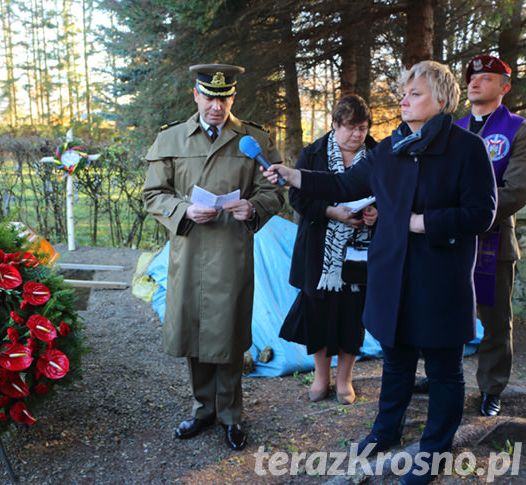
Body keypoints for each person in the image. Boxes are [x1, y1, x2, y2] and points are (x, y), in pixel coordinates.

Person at [263, 61, 496, 485]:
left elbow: (482, 213)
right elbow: (343, 184)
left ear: (441, 100)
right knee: (397, 359)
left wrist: (424, 223)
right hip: (392, 275)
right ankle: (385, 432)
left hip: (439, 277)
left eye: (415, 93)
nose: (403, 100)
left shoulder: (467, 148)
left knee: (443, 368)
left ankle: (433, 450)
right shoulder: (389, 148)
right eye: (404, 93)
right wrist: (292, 174)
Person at [142, 64, 285, 451]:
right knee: (194, 330)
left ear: (233, 98)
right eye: (209, 96)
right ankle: (203, 408)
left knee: (228, 332)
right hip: (189, 250)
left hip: (231, 251)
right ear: (196, 95)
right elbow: (154, 194)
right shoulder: (172, 139)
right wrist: (183, 211)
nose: (216, 106)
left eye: (224, 98)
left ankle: (231, 416)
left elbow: (274, 191)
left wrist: (252, 207)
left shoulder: (253, 139)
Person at [414, 56, 526, 417]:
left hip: (492, 238)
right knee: (443, 310)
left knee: (494, 321)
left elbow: (517, 189)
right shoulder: (451, 127)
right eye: (472, 78)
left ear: (505, 87)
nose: (475, 83)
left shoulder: (518, 129)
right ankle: (441, 375)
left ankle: (491, 388)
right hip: (449, 239)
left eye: (486, 78)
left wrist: (469, 217)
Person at [282, 95, 378, 405]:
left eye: (362, 128)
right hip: (318, 251)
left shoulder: (377, 154)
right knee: (318, 315)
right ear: (334, 125)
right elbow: (296, 198)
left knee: (353, 316)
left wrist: (379, 213)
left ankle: (345, 381)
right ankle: (321, 377)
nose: (357, 135)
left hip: (361, 253)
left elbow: (393, 195)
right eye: (350, 127)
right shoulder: (312, 153)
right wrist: (331, 212)